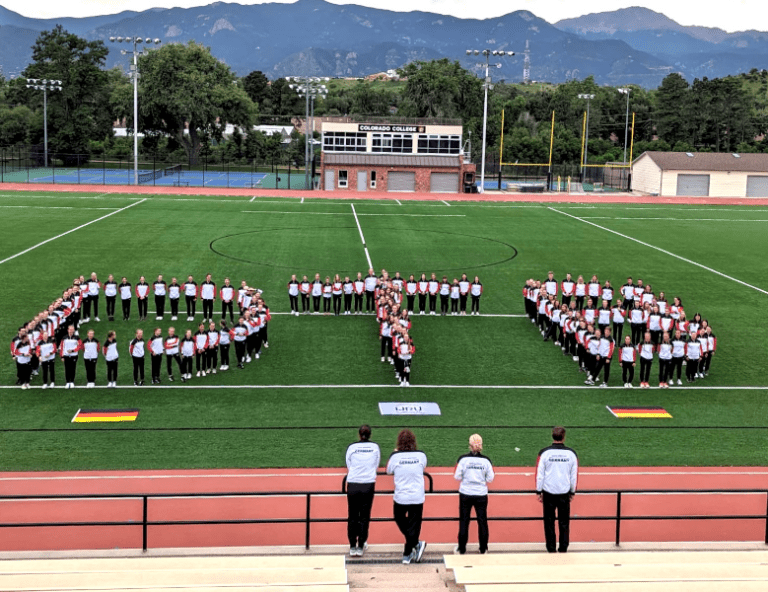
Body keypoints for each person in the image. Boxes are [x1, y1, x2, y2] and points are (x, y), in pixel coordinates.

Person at [387, 429, 428, 565]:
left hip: (401, 497)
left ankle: (408, 552)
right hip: (417, 496)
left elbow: (388, 471)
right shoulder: (421, 455)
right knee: (413, 525)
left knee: (400, 519)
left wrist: (396, 454)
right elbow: (423, 467)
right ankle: (415, 544)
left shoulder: (395, 456)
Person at [535, 426, 578, 554]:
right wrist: (572, 491)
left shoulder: (544, 453)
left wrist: (538, 491)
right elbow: (573, 475)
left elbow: (540, 474)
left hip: (548, 493)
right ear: (564, 437)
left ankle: (551, 548)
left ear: (552, 436)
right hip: (564, 493)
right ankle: (563, 547)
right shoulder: (571, 454)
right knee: (564, 522)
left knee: (549, 522)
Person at [454, 434, 495, 555]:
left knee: (464, 521)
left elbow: (457, 476)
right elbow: (491, 478)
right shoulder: (486, 461)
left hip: (465, 493)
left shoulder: (463, 459)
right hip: (481, 494)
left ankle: (461, 548)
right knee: (482, 521)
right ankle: (483, 548)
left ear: (470, 445)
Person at [346, 424, 381, 558]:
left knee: (353, 516)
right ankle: (361, 545)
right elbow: (376, 465)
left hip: (353, 483)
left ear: (359, 435)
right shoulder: (375, 447)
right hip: (368, 484)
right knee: (364, 516)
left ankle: (352, 546)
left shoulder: (352, 447)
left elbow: (349, 465)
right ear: (370, 434)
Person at [59, 324, 82, 389]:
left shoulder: (77, 338)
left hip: (74, 355)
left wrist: (73, 350)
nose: (71, 331)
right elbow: (62, 347)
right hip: (66, 355)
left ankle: (72, 381)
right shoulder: (64, 338)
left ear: (74, 330)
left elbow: (80, 346)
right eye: (70, 330)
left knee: (72, 368)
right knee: (67, 369)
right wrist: (62, 356)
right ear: (68, 330)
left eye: (72, 330)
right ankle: (67, 382)